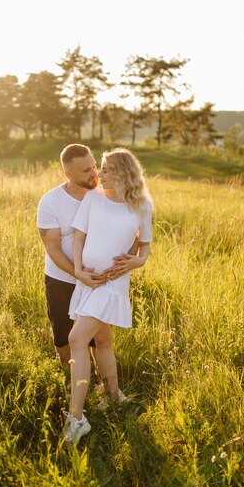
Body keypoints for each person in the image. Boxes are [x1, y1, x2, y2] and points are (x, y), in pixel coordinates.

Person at [63, 148, 153, 444]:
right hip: (89, 281)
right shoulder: (93, 198)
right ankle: (114, 397)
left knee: (77, 339)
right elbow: (78, 236)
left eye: (104, 170)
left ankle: (76, 419)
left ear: (123, 173)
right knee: (102, 340)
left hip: (112, 283)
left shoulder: (142, 205)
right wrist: (78, 270)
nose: (98, 176)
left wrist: (138, 261)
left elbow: (144, 247)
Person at [37, 144, 143, 373]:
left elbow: (132, 231)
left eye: (95, 166)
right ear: (68, 174)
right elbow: (53, 249)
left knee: (99, 340)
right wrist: (78, 273)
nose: (94, 173)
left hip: (99, 281)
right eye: (86, 171)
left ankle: (103, 385)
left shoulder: (107, 194)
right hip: (62, 279)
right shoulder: (50, 202)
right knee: (64, 338)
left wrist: (129, 261)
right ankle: (70, 379)